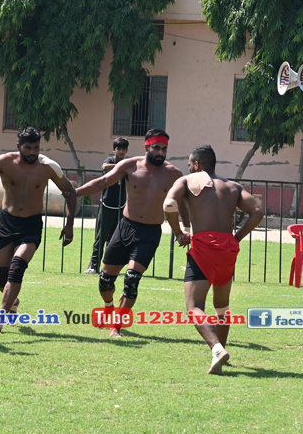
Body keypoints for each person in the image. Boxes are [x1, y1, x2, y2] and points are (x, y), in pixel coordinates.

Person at [0, 127, 77, 334]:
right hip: (7, 223)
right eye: (28, 148)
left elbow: (69, 191)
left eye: (36, 148)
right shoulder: (4, 162)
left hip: (31, 226)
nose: (32, 152)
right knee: (2, 279)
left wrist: (69, 224)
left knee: (17, 268)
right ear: (18, 146)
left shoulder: (48, 166)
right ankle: (13, 302)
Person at [74, 129, 185, 338]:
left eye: (164, 149)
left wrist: (183, 229)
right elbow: (102, 182)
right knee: (105, 280)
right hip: (125, 227)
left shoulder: (174, 174)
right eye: (156, 148)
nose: (160, 153)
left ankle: (116, 326)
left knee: (132, 279)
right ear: (146, 147)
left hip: (150, 232)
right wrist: (75, 193)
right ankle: (109, 308)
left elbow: (183, 202)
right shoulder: (130, 165)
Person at [163, 145, 263, 375]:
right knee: (222, 307)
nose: (189, 168)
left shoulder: (187, 181)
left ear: (197, 164)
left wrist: (178, 232)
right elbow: (257, 212)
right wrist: (236, 237)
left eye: (190, 164)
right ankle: (219, 356)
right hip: (227, 249)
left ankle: (217, 349)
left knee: (194, 307)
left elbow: (168, 204)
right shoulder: (233, 186)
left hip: (204, 247)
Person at [84, 137, 129, 274]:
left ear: (126, 150)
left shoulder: (127, 164)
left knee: (115, 240)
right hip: (106, 204)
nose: (121, 151)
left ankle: (109, 267)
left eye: (123, 149)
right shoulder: (110, 161)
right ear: (114, 149)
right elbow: (104, 168)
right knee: (100, 237)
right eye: (118, 148)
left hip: (120, 206)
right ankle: (93, 266)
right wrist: (121, 167)